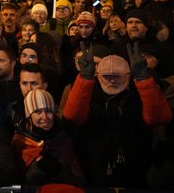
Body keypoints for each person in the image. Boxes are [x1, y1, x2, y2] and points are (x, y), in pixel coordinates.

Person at [63, 43, 172, 187]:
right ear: (98, 75)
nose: (112, 81)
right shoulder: (89, 92)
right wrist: (84, 78)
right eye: (107, 76)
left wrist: (144, 80)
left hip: (135, 167)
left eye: (117, 76)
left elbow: (159, 118)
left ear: (128, 76)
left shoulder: (138, 93)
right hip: (95, 167)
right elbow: (73, 117)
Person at [11, 89, 84, 186]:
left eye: (48, 111)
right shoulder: (20, 142)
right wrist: (37, 168)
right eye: (37, 112)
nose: (44, 117)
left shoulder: (65, 138)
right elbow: (17, 182)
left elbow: (80, 182)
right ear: (29, 115)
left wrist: (59, 171)